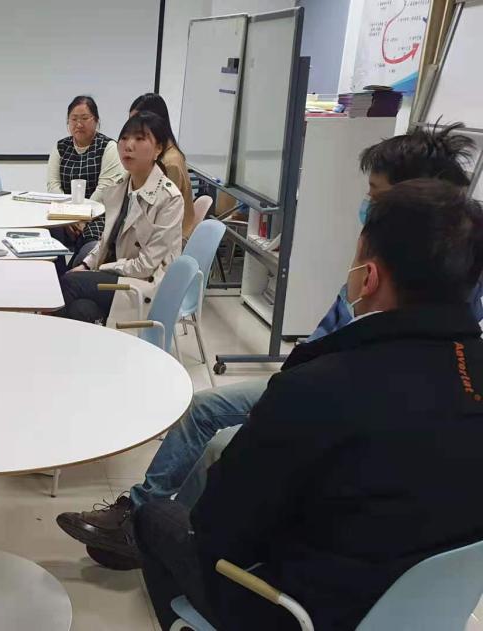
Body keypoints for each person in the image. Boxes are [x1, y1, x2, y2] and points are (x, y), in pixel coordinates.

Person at [56, 122, 483, 569]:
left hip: (320, 426)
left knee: (222, 453)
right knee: (204, 409)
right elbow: (327, 340)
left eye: (375, 196)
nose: (366, 207)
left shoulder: (383, 338)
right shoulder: (438, 310)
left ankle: (154, 529)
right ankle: (144, 515)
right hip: (327, 393)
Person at [137, 179, 483, 630]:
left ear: (370, 277)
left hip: (305, 613)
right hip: (428, 611)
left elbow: (217, 530)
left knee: (154, 518)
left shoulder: (317, 388)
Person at [57, 111, 183, 324]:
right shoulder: (120, 187)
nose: (128, 146)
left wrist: (102, 268)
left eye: (140, 139)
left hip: (141, 284)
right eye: (124, 138)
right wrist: (87, 266)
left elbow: (146, 266)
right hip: (117, 277)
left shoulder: (169, 199)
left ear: (158, 149)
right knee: (81, 309)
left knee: (67, 283)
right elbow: (105, 242)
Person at [47, 96, 126, 264]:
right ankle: (57, 272)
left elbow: (104, 189)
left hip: (98, 215)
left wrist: (81, 218)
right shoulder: (61, 147)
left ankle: (72, 273)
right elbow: (53, 185)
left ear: (96, 120)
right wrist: (68, 217)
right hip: (65, 215)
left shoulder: (108, 147)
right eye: (74, 119)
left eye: (84, 118)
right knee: (49, 232)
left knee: (89, 247)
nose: (79, 124)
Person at [129, 93, 195, 238]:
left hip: (169, 240)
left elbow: (160, 216)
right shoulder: (155, 154)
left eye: (136, 123)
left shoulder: (170, 163)